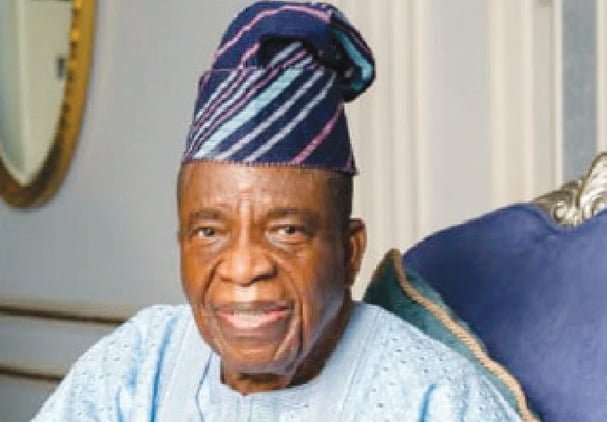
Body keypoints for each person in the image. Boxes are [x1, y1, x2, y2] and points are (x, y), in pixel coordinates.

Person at [34, 2, 521, 420]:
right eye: (209, 232)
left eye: (286, 230)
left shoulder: (432, 398)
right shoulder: (137, 365)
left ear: (350, 253)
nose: (244, 268)